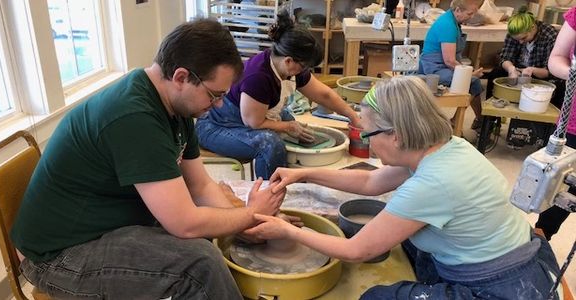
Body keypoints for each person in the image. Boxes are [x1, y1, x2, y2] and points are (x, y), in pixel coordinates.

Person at [10, 19, 288, 299]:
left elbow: (200, 187)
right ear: (181, 77)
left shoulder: (177, 107)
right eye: (215, 95)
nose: (217, 105)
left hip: (101, 227)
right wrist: (250, 214)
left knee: (215, 226)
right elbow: (185, 223)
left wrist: (246, 223)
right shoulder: (134, 117)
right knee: (199, 264)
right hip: (57, 256)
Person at [246, 76, 562, 299]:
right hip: (515, 256)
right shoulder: (447, 145)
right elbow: (370, 181)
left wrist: (286, 232)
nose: (367, 145)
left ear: (395, 135)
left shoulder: (432, 182)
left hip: (506, 286)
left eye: (368, 135)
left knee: (377, 297)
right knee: (409, 243)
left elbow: (356, 252)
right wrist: (303, 175)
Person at [195, 11, 361, 180]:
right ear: (289, 61)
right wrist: (288, 127)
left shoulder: (289, 68)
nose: (306, 71)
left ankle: (292, 178)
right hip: (217, 126)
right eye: (305, 67)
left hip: (248, 117)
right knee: (270, 144)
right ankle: (270, 193)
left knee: (292, 121)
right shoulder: (258, 77)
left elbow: (324, 95)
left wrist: (353, 116)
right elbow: (254, 122)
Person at [535, 6, 576, 241]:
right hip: (574, 122)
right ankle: (542, 234)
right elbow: (556, 59)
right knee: (562, 182)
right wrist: (573, 73)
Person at [419, 0, 485, 130]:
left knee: (473, 81)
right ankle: (460, 122)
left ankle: (478, 119)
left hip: (441, 64)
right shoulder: (447, 25)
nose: (471, 17)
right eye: (469, 13)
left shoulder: (453, 20)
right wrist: (468, 73)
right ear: (458, 10)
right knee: (473, 81)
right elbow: (449, 61)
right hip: (433, 68)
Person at [484, 7, 563, 108]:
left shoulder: (549, 35)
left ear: (533, 27)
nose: (520, 42)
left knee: (559, 87)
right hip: (519, 69)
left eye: (523, 38)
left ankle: (547, 121)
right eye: (517, 40)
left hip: (541, 73)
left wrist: (531, 70)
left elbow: (551, 71)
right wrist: (511, 69)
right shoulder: (514, 31)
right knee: (495, 74)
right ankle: (490, 118)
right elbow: (505, 57)